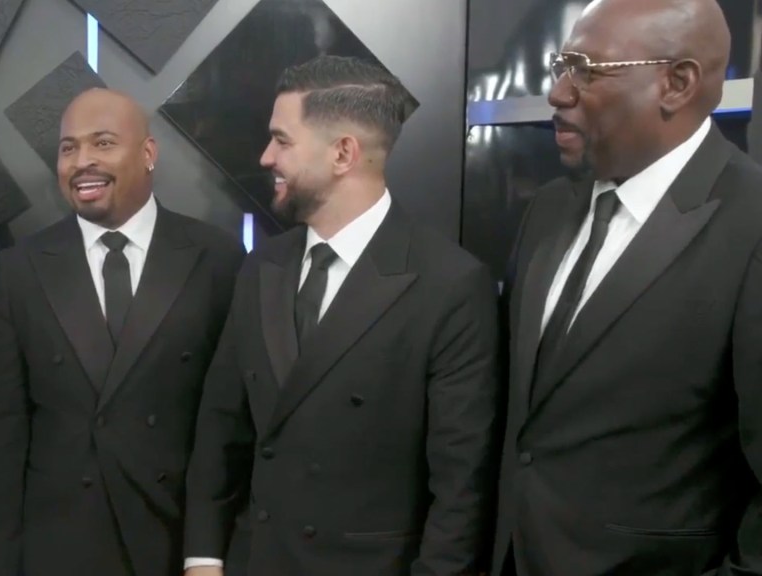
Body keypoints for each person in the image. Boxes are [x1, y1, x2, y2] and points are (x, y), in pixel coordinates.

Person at [182, 55, 502, 576]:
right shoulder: (262, 266)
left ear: (343, 153)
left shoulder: (450, 284)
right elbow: (222, 427)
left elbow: (460, 483)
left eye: (282, 141)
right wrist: (203, 558)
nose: (266, 157)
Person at [492, 0, 762, 574]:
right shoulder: (548, 209)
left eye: (586, 71)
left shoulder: (751, 224)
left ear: (677, 83)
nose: (558, 93)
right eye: (561, 65)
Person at [0, 87, 245, 576]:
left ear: (149, 153)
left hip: (176, 542)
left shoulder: (217, 258)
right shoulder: (19, 269)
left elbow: (231, 423)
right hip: (59, 549)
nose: (82, 162)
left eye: (103, 143)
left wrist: (208, 552)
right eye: (68, 148)